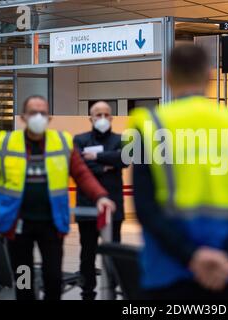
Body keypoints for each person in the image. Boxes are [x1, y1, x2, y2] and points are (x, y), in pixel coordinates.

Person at [128, 44, 228, 300]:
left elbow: (145, 207)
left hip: (167, 272)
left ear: (168, 76)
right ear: (208, 76)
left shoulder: (150, 125)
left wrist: (191, 256)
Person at [0, 95, 116, 300]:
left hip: (51, 224)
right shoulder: (6, 143)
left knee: (53, 278)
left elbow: (82, 174)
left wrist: (100, 196)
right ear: (23, 117)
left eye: (43, 113)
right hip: (18, 227)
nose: (38, 117)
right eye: (33, 112)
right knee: (23, 280)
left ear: (49, 118)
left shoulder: (62, 142)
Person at [73, 101, 128, 300]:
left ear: (112, 117)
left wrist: (95, 156)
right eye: (98, 115)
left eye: (106, 114)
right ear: (91, 118)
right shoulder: (79, 139)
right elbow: (78, 164)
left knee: (113, 252)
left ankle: (112, 290)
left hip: (113, 205)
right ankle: (87, 292)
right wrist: (106, 165)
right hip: (87, 206)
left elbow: (123, 159)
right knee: (87, 252)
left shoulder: (121, 139)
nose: (102, 118)